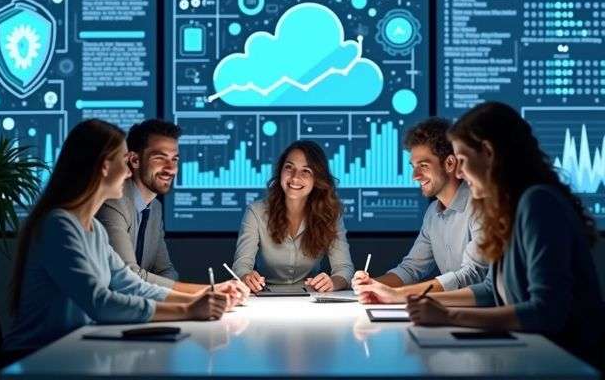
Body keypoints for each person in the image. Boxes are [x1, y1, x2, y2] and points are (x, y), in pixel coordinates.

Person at [358, 102, 605, 368]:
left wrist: (449, 316)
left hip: (565, 363)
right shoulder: (509, 208)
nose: (460, 173)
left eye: (462, 161)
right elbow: (489, 290)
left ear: (488, 152)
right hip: (531, 356)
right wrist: (405, 298)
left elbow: (546, 312)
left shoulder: (537, 202)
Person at [5, 119, 229, 354]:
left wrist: (201, 299)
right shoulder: (58, 226)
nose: (128, 171)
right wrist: (188, 310)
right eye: (124, 161)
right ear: (104, 166)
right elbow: (99, 302)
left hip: (72, 353)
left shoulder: (93, 229)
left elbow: (133, 285)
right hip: (36, 360)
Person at [96, 119, 248, 300]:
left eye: (174, 159)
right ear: (135, 160)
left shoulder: (155, 208)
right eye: (160, 158)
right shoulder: (113, 202)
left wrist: (174, 299)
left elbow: (165, 270)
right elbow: (129, 276)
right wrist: (205, 292)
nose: (171, 169)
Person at [352, 118, 487, 301]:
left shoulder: (480, 205)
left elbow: (473, 274)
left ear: (449, 163)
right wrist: (374, 285)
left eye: (423, 166)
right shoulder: (433, 213)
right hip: (451, 311)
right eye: (413, 167)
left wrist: (397, 295)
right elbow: (411, 269)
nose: (415, 176)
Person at [232, 140, 354, 292]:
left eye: (306, 171)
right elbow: (241, 266)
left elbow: (344, 268)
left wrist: (333, 282)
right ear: (280, 172)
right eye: (289, 168)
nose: (295, 177)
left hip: (311, 298)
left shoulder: (330, 214)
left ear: (317, 178)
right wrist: (245, 277)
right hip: (263, 297)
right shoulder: (255, 212)